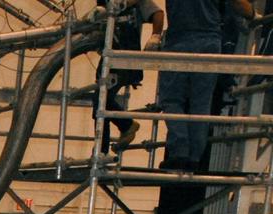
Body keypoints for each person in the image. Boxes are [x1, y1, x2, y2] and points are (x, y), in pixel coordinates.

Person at [157, 0, 253, 170]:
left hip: (179, 39)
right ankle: (195, 157)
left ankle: (180, 152)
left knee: (171, 99)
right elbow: (238, 4)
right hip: (209, 40)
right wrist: (253, 14)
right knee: (201, 101)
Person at [94, 0, 165, 152]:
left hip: (126, 57)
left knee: (101, 100)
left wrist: (155, 36)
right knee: (99, 103)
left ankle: (118, 134)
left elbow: (158, 13)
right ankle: (102, 150)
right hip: (109, 57)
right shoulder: (103, 3)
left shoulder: (135, 2)